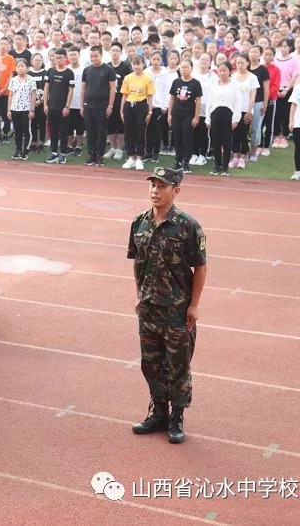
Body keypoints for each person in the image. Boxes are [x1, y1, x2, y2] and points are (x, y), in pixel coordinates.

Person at [128, 167, 207, 444]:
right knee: (151, 363)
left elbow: (200, 267)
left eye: (162, 186)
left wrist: (194, 306)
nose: (155, 191)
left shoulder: (189, 227)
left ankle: (177, 417)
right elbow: (138, 262)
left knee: (178, 365)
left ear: (176, 191)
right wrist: (139, 295)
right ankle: (159, 412)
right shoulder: (139, 223)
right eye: (152, 185)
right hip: (148, 309)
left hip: (176, 311)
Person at [80, 46, 117, 166]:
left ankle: (100, 155)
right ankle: (92, 155)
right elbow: (83, 89)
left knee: (101, 132)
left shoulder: (108, 69)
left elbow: (112, 88)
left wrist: (110, 106)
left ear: (101, 55)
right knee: (90, 131)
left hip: (102, 106)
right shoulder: (86, 70)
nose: (93, 58)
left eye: (96, 56)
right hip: (88, 106)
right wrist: (82, 106)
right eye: (91, 56)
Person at [167, 59, 202, 173]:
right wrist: (169, 114)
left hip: (189, 114)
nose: (184, 69)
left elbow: (198, 101)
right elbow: (172, 98)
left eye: (186, 67)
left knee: (187, 138)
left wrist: (196, 117)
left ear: (191, 68)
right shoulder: (176, 82)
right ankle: (178, 161)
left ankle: (186, 162)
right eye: (182, 67)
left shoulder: (196, 83)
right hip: (177, 113)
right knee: (177, 138)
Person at [206, 61, 241, 177]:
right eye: (220, 70)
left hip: (228, 114)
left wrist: (235, 119)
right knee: (216, 141)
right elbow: (209, 102)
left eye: (225, 70)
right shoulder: (214, 85)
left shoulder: (235, 85)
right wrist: (208, 118)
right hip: (215, 114)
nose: (222, 73)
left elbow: (237, 102)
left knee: (226, 141)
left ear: (230, 71)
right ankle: (217, 166)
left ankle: (225, 167)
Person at [120, 56, 154, 171]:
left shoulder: (148, 78)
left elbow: (150, 96)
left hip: (142, 105)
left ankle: (139, 158)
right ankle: (130, 157)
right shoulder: (127, 78)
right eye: (134, 64)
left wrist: (150, 111)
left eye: (138, 64)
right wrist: (121, 110)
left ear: (143, 64)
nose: (136, 67)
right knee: (129, 132)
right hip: (129, 105)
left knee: (140, 131)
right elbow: (124, 95)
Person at [44, 48, 75, 164]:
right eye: (56, 57)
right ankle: (53, 153)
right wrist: (45, 104)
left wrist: (67, 106)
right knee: (53, 130)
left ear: (65, 59)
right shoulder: (50, 71)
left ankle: (62, 153)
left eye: (60, 58)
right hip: (51, 106)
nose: (58, 60)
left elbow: (70, 91)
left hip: (63, 107)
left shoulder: (69, 73)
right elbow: (46, 88)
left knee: (63, 131)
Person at [104, 43, 132, 161]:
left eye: (117, 50)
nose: (115, 53)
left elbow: (129, 84)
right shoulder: (107, 66)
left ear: (121, 52)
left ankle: (120, 148)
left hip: (121, 100)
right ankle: (113, 148)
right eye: (113, 50)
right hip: (109, 100)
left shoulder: (125, 67)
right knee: (110, 125)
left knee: (120, 125)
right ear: (110, 52)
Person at [6, 59, 37, 160]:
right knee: (17, 130)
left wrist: (32, 110)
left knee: (26, 130)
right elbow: (10, 95)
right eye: (18, 66)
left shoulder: (31, 79)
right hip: (15, 108)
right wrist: (9, 110)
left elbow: (33, 95)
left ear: (27, 68)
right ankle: (18, 149)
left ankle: (25, 150)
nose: (20, 68)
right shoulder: (13, 80)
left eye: (22, 66)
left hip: (26, 109)